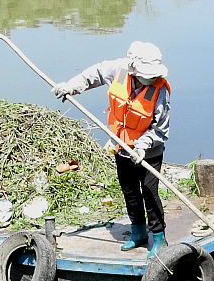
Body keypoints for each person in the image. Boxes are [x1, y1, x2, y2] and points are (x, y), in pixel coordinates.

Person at [53, 41, 171, 258]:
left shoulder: (160, 90)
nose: (150, 78)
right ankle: (138, 233)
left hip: (149, 152)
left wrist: (143, 147)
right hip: (121, 144)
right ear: (134, 68)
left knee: (149, 190)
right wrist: (72, 86)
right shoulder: (119, 70)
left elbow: (160, 130)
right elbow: (94, 74)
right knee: (129, 190)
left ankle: (159, 237)